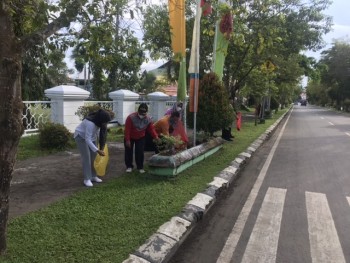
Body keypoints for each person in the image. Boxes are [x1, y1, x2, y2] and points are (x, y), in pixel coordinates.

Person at [74, 109, 112, 187]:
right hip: (81, 137)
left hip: (91, 137)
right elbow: (87, 139)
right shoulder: (90, 123)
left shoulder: (99, 122)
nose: (106, 124)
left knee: (94, 157)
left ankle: (93, 176)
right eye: (105, 122)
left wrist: (101, 146)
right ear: (101, 119)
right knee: (87, 157)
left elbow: (98, 133)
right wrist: (98, 150)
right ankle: (87, 179)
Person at [124, 103, 159, 173]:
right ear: (138, 111)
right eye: (140, 113)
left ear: (146, 112)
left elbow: (151, 129)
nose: (142, 115)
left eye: (144, 113)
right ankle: (129, 166)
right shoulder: (131, 117)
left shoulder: (148, 119)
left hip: (141, 137)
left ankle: (140, 167)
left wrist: (156, 137)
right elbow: (127, 129)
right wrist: (127, 140)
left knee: (140, 152)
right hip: (130, 136)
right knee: (128, 151)